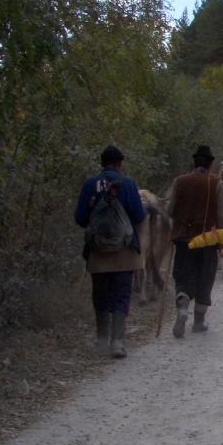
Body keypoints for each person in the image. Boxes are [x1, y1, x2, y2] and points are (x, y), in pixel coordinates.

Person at [74, 145, 147, 358]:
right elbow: (139, 215)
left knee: (100, 294)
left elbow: (79, 217)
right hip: (124, 251)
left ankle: (101, 339)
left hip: (98, 252)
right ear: (119, 164)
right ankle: (117, 342)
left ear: (102, 163)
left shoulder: (90, 184)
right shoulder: (129, 183)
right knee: (121, 294)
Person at [168, 144, 223, 338]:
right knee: (205, 277)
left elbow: (170, 211)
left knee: (183, 276)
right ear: (210, 164)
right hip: (207, 240)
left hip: (184, 238)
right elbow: (221, 215)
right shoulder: (216, 183)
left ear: (194, 162)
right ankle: (199, 321)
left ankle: (183, 306)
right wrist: (222, 239)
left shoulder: (179, 181)